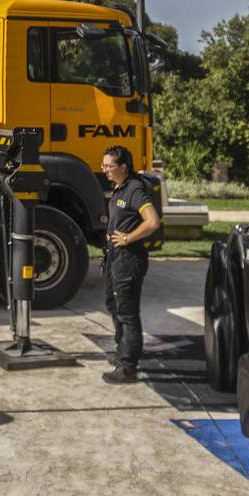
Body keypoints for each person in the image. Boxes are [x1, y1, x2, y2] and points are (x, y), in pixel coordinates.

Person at [100, 144, 160, 384]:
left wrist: (127, 238)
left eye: (109, 166)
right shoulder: (119, 188)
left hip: (128, 259)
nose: (104, 170)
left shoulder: (134, 189)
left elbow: (152, 222)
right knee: (114, 306)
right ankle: (121, 353)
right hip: (115, 257)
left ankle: (128, 367)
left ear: (123, 167)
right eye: (103, 165)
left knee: (127, 313)